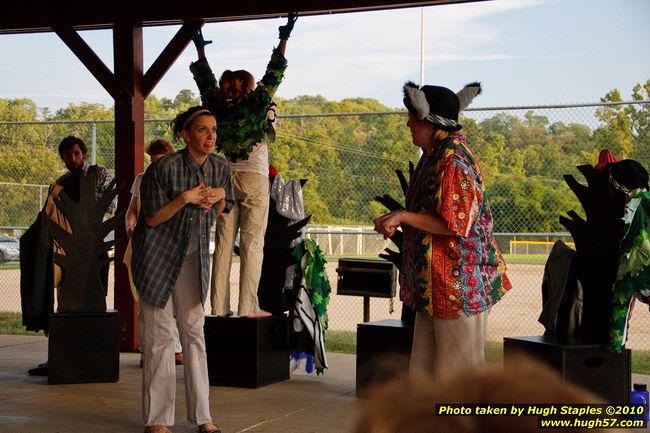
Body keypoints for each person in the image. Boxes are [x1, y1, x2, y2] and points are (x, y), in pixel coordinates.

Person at [373, 82, 511, 384]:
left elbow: (455, 224)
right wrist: (400, 218)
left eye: (412, 116)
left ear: (427, 119)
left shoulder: (454, 161)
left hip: (457, 287)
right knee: (424, 375)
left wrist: (403, 216)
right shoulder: (433, 155)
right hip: (435, 287)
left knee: (457, 379)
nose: (408, 123)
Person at [131, 106, 232, 433]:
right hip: (156, 258)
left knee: (194, 332)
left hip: (193, 258)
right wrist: (186, 197)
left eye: (213, 130)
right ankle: (158, 421)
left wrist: (216, 198)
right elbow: (151, 218)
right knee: (160, 338)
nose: (210, 136)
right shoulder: (161, 169)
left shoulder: (220, 167)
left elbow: (220, 208)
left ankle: (203, 417)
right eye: (202, 130)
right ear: (185, 135)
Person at [189, 12, 297, 318]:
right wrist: (283, 38)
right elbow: (274, 72)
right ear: (248, 86)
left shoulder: (215, 104)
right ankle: (248, 308)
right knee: (252, 243)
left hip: (223, 180)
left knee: (223, 244)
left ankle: (219, 308)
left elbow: (204, 78)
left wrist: (200, 48)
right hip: (253, 178)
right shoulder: (257, 103)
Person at [25, 135, 117, 376]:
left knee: (94, 295)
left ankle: (92, 356)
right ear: (63, 157)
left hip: (94, 247)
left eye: (76, 153)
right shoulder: (61, 182)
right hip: (65, 251)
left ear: (83, 154)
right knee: (65, 297)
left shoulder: (100, 174)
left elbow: (112, 206)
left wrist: (87, 229)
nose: (72, 158)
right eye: (67, 154)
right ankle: (63, 355)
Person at [123, 139, 183, 367]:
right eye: (152, 161)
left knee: (173, 301)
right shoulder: (142, 179)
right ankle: (147, 350)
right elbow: (131, 210)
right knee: (146, 300)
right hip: (143, 246)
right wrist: (130, 225)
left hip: (169, 247)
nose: (155, 165)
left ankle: (175, 349)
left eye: (159, 161)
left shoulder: (177, 179)